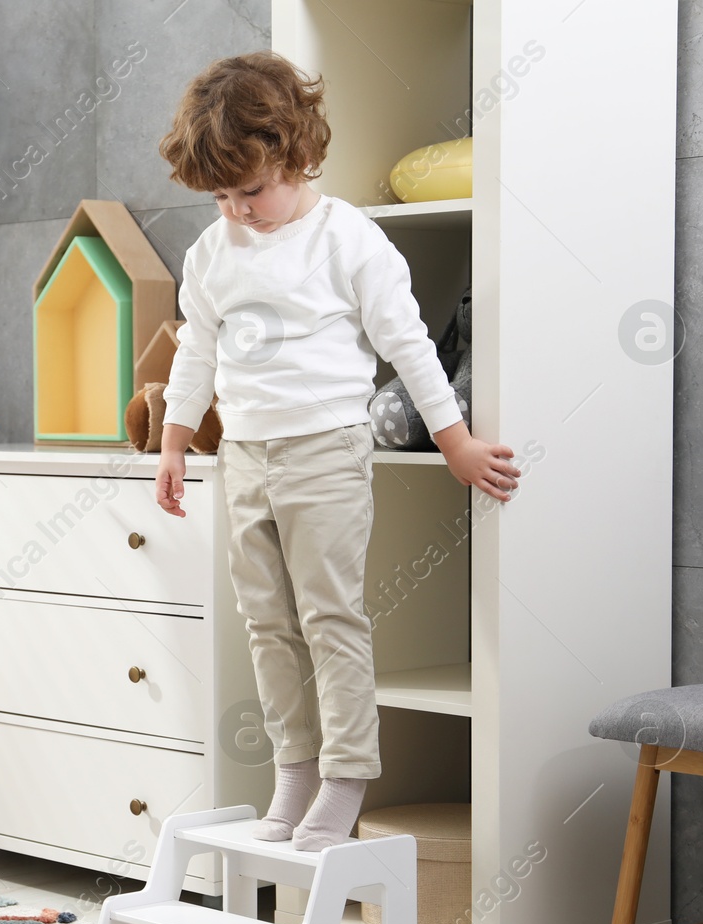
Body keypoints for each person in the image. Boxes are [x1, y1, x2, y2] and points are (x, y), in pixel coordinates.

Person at [153, 52, 521, 851]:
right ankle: (294, 767)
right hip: (245, 454)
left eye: (251, 189)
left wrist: (455, 440)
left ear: (297, 154)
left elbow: (408, 342)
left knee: (331, 616)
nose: (238, 210)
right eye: (220, 196)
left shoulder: (345, 236)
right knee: (264, 620)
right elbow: (195, 351)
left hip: (325, 450)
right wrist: (176, 441)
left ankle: (346, 775)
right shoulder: (212, 253)